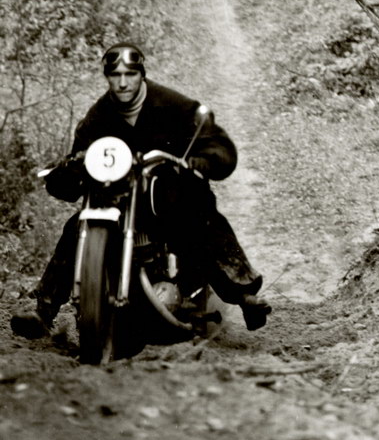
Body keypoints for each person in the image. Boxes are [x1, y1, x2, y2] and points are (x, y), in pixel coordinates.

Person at [11, 42, 271, 339]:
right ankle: (44, 311)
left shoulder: (173, 105)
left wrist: (201, 160)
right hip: (119, 203)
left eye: (130, 74)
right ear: (107, 77)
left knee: (198, 217)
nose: (123, 82)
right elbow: (79, 160)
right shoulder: (98, 117)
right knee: (76, 226)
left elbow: (217, 144)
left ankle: (244, 295)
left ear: (141, 74)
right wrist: (69, 170)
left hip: (168, 198)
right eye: (115, 75)